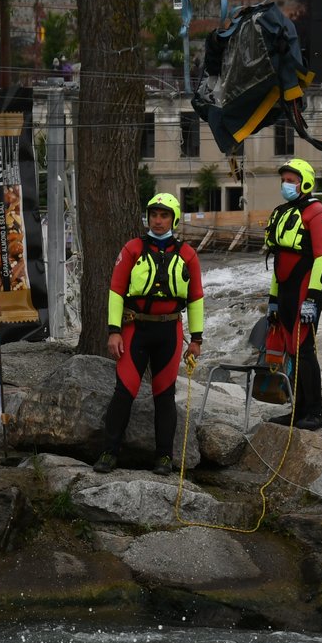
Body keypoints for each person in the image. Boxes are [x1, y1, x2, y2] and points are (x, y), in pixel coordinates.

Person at [91, 192, 205, 475]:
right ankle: (109, 452)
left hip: (169, 330)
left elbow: (196, 298)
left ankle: (164, 457)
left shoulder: (187, 254)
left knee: (165, 395)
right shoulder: (132, 248)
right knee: (124, 391)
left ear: (173, 219)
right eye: (154, 215)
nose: (157, 220)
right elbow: (116, 290)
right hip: (135, 329)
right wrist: (114, 331)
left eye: (164, 215)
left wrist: (197, 340)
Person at [261, 158, 322, 431]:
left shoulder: (317, 213)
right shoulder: (282, 212)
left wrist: (313, 299)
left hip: (306, 289)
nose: (286, 184)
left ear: (305, 183)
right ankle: (297, 411)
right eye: (284, 180)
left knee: (304, 350)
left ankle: (314, 413)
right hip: (286, 290)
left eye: (291, 180)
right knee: (291, 351)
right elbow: (277, 262)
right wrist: (273, 300)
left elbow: (321, 259)